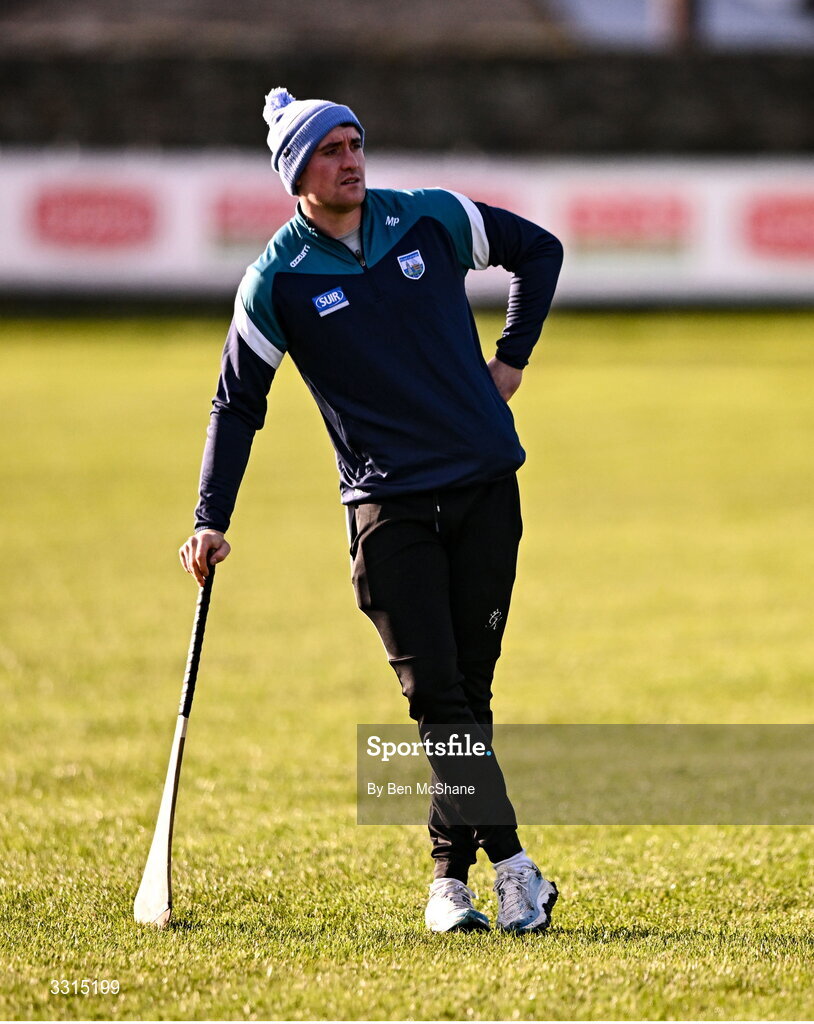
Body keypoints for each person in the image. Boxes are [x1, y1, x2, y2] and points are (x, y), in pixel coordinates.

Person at [179, 88, 564, 934]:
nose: (351, 159)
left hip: (485, 489)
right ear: (296, 175)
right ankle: (515, 867)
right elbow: (235, 403)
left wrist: (512, 361)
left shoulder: (427, 217)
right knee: (436, 697)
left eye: (355, 143)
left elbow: (539, 252)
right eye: (329, 150)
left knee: (465, 694)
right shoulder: (276, 280)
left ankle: (447, 886)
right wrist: (211, 516)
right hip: (387, 508)